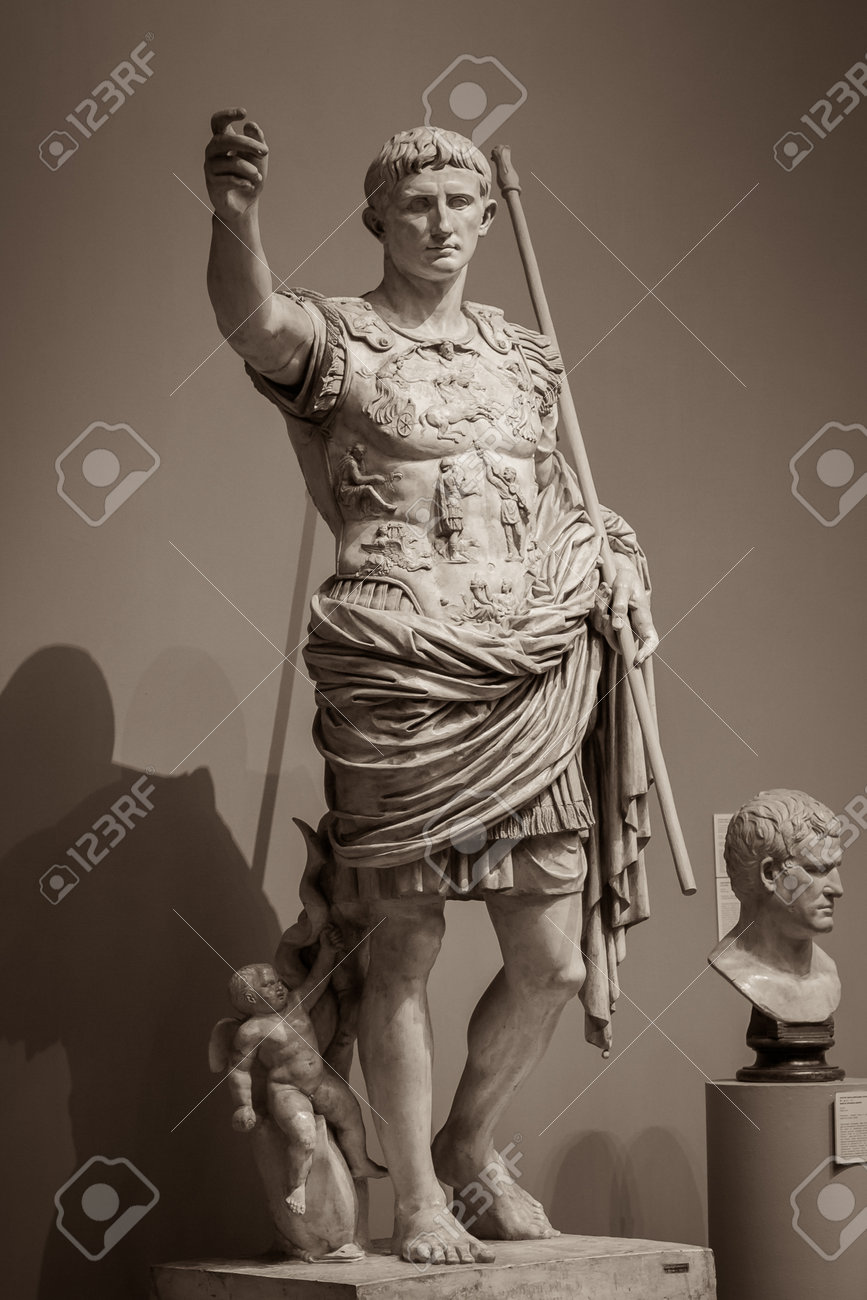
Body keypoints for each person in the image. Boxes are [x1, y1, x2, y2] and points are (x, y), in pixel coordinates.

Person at [205, 111, 659, 1266]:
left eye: (461, 202)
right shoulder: (342, 341)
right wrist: (236, 216)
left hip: (528, 668)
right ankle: (413, 1194)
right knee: (402, 946)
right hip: (401, 668)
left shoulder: (526, 356)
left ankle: (466, 1142)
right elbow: (252, 323)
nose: (441, 221)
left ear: (490, 215)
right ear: (378, 219)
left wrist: (604, 545)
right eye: (417, 204)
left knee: (553, 960)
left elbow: (554, 497)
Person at [221, 938, 386, 1216]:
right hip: (287, 1091)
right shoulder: (252, 1031)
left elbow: (317, 980)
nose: (279, 986)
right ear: (250, 998)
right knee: (305, 1138)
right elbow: (239, 1069)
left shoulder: (296, 1004)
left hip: (318, 1083)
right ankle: (297, 1185)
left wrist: (328, 951)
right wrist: (243, 1105)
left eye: (278, 981)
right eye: (269, 985)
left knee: (351, 1115)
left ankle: (359, 1162)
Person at [708, 789, 844, 1023]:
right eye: (815, 869)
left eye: (834, 868)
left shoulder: (828, 972)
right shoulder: (733, 966)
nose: (838, 889)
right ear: (770, 874)